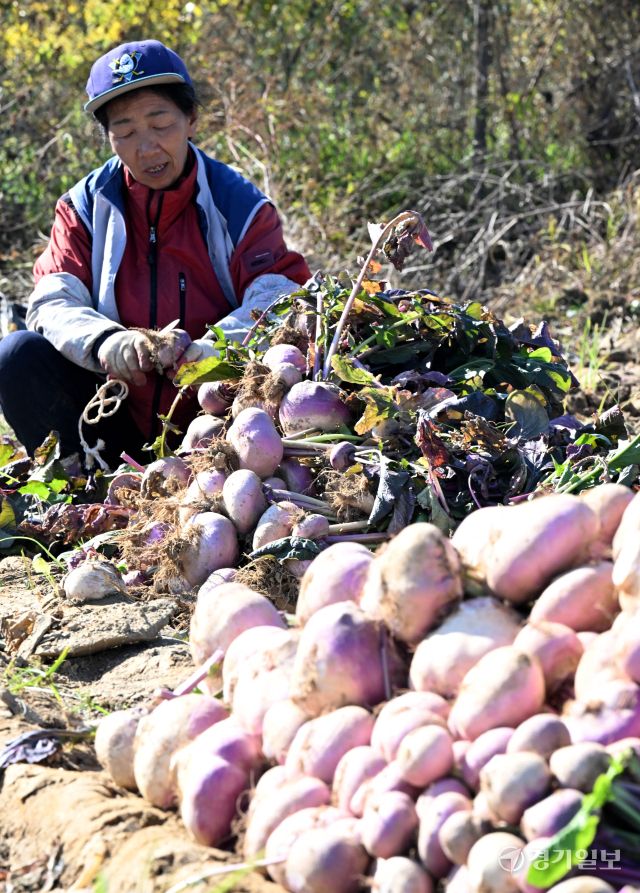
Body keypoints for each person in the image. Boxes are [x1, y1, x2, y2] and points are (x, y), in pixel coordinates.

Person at [0, 39, 310, 469]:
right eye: (125, 132)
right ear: (108, 138)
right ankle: (77, 481)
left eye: (161, 124)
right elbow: (52, 302)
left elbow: (281, 299)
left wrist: (215, 351)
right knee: (17, 354)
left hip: (214, 426)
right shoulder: (84, 207)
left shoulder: (240, 206)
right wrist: (107, 341)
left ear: (191, 119)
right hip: (111, 414)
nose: (146, 149)